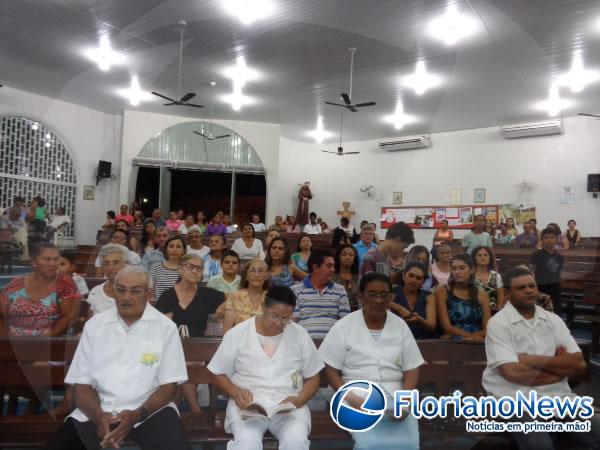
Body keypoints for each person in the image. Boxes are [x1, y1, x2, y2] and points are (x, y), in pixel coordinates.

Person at [45, 265, 191, 450]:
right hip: (97, 409)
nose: (126, 297)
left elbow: (169, 386)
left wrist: (135, 415)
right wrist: (99, 418)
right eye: (120, 289)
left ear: (149, 294)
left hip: (149, 412)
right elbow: (81, 385)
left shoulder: (165, 328)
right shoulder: (95, 326)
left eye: (135, 291)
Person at [482, 267, 599, 450]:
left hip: (557, 398)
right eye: (521, 288)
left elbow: (578, 364)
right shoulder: (499, 324)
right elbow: (512, 373)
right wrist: (558, 371)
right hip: (515, 400)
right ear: (507, 293)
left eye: (532, 286)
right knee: (540, 446)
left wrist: (531, 360)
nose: (529, 290)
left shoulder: (553, 320)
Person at [208, 285, 323, 450]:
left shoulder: (299, 335)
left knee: (295, 443)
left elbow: (313, 376)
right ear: (263, 308)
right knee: (247, 443)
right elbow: (217, 373)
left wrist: (300, 400)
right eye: (274, 316)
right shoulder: (238, 333)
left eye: (286, 318)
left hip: (289, 407)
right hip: (249, 407)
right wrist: (235, 392)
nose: (279, 323)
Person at [319, 272, 424, 450]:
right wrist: (350, 397)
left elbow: (412, 367)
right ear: (360, 296)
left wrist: (403, 401)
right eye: (372, 294)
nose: (378, 300)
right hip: (356, 397)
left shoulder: (399, 326)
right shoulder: (344, 326)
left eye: (384, 295)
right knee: (370, 444)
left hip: (395, 397)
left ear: (391, 297)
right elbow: (329, 367)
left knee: (409, 443)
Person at [157, 254, 225, 411]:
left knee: (186, 363)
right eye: (191, 267)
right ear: (180, 269)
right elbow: (159, 326)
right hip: (171, 348)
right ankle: (195, 411)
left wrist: (221, 310)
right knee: (181, 362)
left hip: (199, 350)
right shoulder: (168, 295)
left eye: (199, 268)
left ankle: (173, 410)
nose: (195, 271)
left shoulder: (207, 294)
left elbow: (234, 298)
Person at [0, 243, 79, 336]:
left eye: (56, 259)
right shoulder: (15, 285)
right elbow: (1, 314)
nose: (52, 264)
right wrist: (6, 342)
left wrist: (42, 342)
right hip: (14, 342)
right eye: (47, 259)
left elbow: (69, 317)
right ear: (34, 261)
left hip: (52, 342)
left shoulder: (65, 284)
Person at [291, 248, 351, 338]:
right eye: (329, 266)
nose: (333, 270)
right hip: (304, 345)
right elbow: (293, 323)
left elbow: (345, 323)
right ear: (315, 268)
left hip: (332, 345)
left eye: (333, 266)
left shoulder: (340, 290)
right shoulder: (295, 290)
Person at [435, 253, 491, 341]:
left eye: (462, 268)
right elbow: (447, 328)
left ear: (472, 270)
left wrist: (470, 338)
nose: (457, 272)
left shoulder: (482, 295)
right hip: (451, 342)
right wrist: (471, 337)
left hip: (477, 344)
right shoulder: (442, 291)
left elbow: (487, 329)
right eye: (453, 268)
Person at [222, 259, 270, 333]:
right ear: (246, 276)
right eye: (252, 271)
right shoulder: (235, 297)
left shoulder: (273, 297)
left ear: (266, 276)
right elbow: (226, 332)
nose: (256, 275)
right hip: (239, 342)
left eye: (260, 271)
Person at [391, 262, 436, 339]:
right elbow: (381, 302)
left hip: (422, 341)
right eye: (411, 276)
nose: (414, 280)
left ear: (423, 282)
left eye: (418, 278)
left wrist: (420, 320)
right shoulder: (393, 292)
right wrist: (399, 308)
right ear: (403, 276)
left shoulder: (429, 296)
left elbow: (432, 326)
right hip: (396, 339)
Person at [86, 244, 128, 316]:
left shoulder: (135, 292)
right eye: (106, 263)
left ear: (125, 265)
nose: (110, 268)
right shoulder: (95, 292)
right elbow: (89, 323)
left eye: (116, 262)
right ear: (102, 267)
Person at [530, 227, 564, 314]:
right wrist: (534, 289)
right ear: (542, 240)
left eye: (552, 237)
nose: (549, 240)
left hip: (555, 290)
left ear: (556, 239)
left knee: (556, 314)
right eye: (546, 238)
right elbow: (532, 273)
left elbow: (558, 274)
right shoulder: (536, 255)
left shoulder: (559, 257)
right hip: (541, 289)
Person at [149, 236, 186, 301]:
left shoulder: (187, 270)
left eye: (178, 247)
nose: (174, 250)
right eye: (171, 246)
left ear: (183, 251)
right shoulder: (155, 268)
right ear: (166, 249)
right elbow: (150, 292)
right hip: (159, 306)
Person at [332, 244, 360, 311]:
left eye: (351, 255)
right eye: (344, 254)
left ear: (354, 259)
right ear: (338, 257)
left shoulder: (359, 277)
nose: (347, 257)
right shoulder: (331, 276)